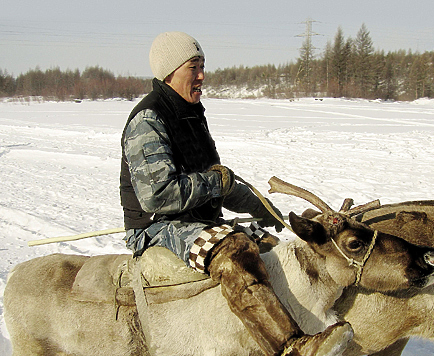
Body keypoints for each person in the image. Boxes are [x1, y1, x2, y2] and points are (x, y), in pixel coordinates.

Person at [120, 31, 351, 356]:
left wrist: (262, 209)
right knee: (235, 248)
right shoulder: (149, 120)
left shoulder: (191, 115)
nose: (202, 75)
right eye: (194, 67)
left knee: (269, 246)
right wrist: (216, 183)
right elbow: (157, 196)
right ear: (170, 71)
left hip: (195, 220)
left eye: (203, 66)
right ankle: (290, 347)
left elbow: (222, 183)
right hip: (157, 227)